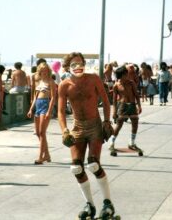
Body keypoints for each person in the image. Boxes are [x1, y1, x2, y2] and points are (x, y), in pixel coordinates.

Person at [57, 52, 117, 220]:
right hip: (77, 127)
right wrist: (64, 130)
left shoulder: (93, 79)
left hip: (94, 125)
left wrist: (106, 121)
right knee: (76, 168)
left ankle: (107, 203)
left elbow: (106, 101)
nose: (77, 66)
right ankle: (89, 205)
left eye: (80, 63)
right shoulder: (64, 85)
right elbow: (60, 111)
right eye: (74, 64)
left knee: (93, 165)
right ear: (68, 67)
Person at [109, 66, 143, 155]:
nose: (127, 75)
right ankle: (111, 142)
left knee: (135, 123)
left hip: (131, 105)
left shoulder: (131, 83)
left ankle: (132, 143)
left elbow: (136, 95)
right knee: (119, 125)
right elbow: (114, 101)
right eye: (125, 74)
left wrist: (139, 106)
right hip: (122, 106)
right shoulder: (116, 85)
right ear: (121, 75)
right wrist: (114, 112)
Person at [27, 62, 56, 164]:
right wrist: (31, 109)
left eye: (46, 70)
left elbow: (53, 98)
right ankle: (47, 154)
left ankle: (40, 157)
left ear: (48, 71)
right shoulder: (39, 82)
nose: (44, 72)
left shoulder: (51, 82)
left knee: (42, 132)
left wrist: (49, 110)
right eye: (42, 71)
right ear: (39, 71)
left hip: (45, 105)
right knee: (39, 133)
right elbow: (35, 97)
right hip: (38, 106)